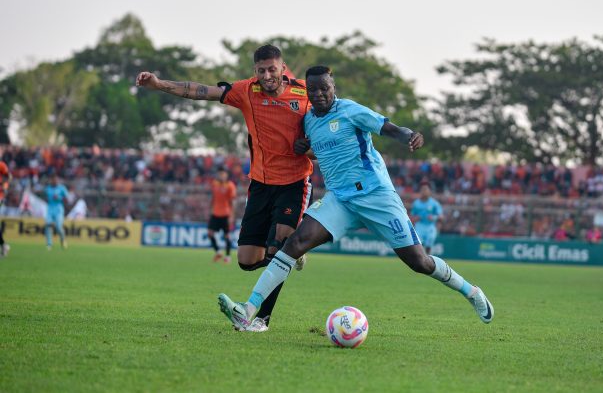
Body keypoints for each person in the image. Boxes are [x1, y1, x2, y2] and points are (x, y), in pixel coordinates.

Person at [218, 66, 494, 331]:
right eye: (312, 90)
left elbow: (387, 127)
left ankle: (471, 291)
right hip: (340, 200)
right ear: (307, 91)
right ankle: (249, 311)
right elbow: (319, 149)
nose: (318, 94)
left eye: (324, 88)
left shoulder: (351, 110)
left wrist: (409, 135)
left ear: (333, 87)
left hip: (377, 197)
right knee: (295, 243)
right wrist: (304, 147)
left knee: (419, 262)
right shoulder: (309, 120)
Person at [136, 44, 313, 332]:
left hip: (294, 184)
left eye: (272, 69)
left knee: (276, 252)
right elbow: (200, 91)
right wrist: (159, 84)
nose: (267, 75)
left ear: (282, 68)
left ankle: (260, 319)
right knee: (247, 261)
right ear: (254, 71)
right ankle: (292, 254)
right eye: (261, 70)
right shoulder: (246, 91)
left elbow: (331, 119)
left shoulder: (304, 92)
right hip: (260, 184)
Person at [209, 169, 236, 264]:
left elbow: (232, 202)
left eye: (223, 174)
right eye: (219, 174)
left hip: (226, 214)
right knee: (210, 233)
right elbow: (213, 197)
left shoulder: (230, 186)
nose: (221, 176)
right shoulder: (214, 184)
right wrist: (210, 209)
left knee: (227, 236)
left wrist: (232, 216)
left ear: (226, 175)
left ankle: (228, 256)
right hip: (215, 213)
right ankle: (218, 252)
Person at [411, 183, 442, 255]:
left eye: (426, 190)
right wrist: (416, 218)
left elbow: (441, 216)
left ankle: (427, 257)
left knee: (430, 239)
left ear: (429, 192)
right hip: (419, 225)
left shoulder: (434, 203)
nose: (424, 192)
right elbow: (412, 217)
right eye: (423, 190)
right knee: (418, 243)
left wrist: (434, 217)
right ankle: (420, 257)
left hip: (430, 225)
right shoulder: (416, 203)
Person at [43, 174, 69, 251]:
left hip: (58, 209)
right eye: (53, 180)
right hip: (50, 209)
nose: (55, 181)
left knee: (58, 227)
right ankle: (49, 244)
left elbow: (67, 200)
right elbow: (45, 198)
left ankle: (63, 239)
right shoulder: (48, 188)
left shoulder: (62, 188)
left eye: (56, 180)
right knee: (48, 225)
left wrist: (59, 198)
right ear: (51, 180)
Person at [0, 160, 12, 257]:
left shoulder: (1, 165)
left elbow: (9, 176)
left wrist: (5, 187)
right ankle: (3, 245)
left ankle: (3, 245)